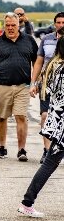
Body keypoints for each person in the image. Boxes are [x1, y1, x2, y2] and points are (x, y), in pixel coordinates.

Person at [18, 37, 64, 218]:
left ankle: (27, 202)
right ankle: (27, 202)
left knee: (50, 163)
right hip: (62, 123)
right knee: (50, 163)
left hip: (57, 119)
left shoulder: (55, 66)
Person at [0, 12, 38, 161]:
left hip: (23, 86)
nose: (10, 28)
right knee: (2, 117)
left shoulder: (29, 40)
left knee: (21, 116)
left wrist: (35, 82)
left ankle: (21, 150)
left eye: (13, 25)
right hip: (3, 86)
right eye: (7, 25)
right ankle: (2, 147)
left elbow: (37, 63)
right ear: (4, 25)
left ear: (19, 24)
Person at [30, 13, 64, 163]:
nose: (61, 25)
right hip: (47, 84)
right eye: (58, 22)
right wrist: (34, 82)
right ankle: (47, 150)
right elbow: (39, 62)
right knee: (45, 116)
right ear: (54, 23)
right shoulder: (47, 39)